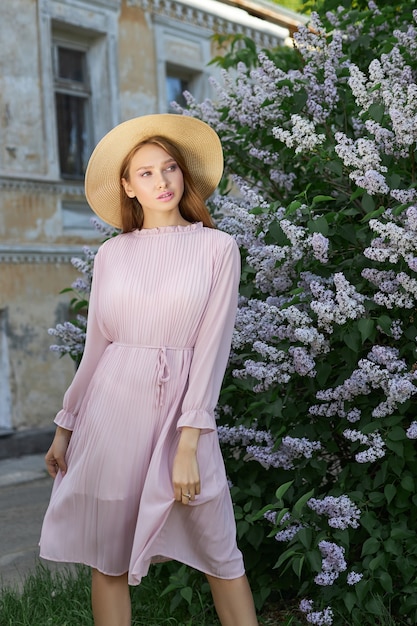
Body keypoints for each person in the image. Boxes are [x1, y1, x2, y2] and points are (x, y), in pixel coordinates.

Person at [39, 114, 258, 626]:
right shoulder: (112, 255)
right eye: (145, 173)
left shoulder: (217, 247)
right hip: (111, 411)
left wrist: (189, 440)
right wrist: (65, 424)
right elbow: (97, 347)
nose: (161, 182)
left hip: (185, 413)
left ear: (184, 175)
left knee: (221, 553)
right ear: (127, 186)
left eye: (169, 169)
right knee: (107, 555)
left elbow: (212, 349)